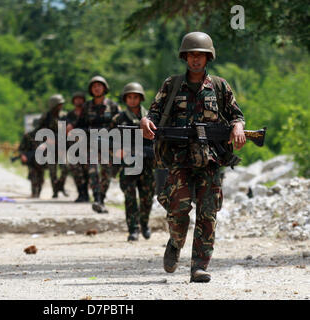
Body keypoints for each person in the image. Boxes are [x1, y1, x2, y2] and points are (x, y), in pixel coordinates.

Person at [140, 31, 246, 283]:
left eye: (200, 55)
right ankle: (176, 242)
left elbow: (236, 115)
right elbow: (153, 113)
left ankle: (199, 266)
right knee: (178, 211)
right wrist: (145, 121)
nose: (195, 59)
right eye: (191, 55)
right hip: (179, 160)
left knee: (208, 215)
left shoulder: (220, 86)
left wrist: (238, 126)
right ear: (185, 57)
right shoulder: (172, 85)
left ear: (208, 57)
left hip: (210, 161)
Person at [68, 76, 120, 213]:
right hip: (90, 144)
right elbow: (80, 125)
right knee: (93, 170)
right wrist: (72, 127)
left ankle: (101, 198)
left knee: (106, 172)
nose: (97, 88)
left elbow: (121, 124)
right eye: (94, 86)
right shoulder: (87, 106)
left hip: (108, 145)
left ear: (104, 88)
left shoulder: (113, 106)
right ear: (91, 90)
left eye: (99, 85)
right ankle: (97, 198)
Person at [112, 82, 155, 241]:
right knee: (130, 198)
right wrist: (117, 151)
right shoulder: (119, 118)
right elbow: (110, 140)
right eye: (129, 97)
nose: (132, 100)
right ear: (125, 99)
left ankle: (144, 224)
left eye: (135, 97)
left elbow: (157, 141)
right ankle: (133, 229)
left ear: (140, 98)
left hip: (147, 164)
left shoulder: (150, 117)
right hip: (128, 165)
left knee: (147, 197)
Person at [36, 94, 68, 198]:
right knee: (52, 170)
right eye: (59, 104)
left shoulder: (64, 115)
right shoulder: (46, 116)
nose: (61, 106)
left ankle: (61, 186)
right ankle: (55, 191)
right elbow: (39, 130)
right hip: (50, 147)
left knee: (65, 168)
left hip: (62, 146)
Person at [66, 91, 89, 202]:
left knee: (86, 171)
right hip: (73, 148)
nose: (78, 101)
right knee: (76, 171)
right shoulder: (70, 115)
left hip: (86, 147)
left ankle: (87, 194)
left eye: (80, 99)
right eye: (76, 99)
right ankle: (81, 193)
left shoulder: (87, 113)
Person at [18, 125, 45, 198]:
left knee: (41, 177)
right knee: (33, 175)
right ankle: (34, 193)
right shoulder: (28, 136)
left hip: (42, 160)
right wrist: (23, 155)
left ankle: (38, 193)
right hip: (31, 160)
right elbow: (21, 148)